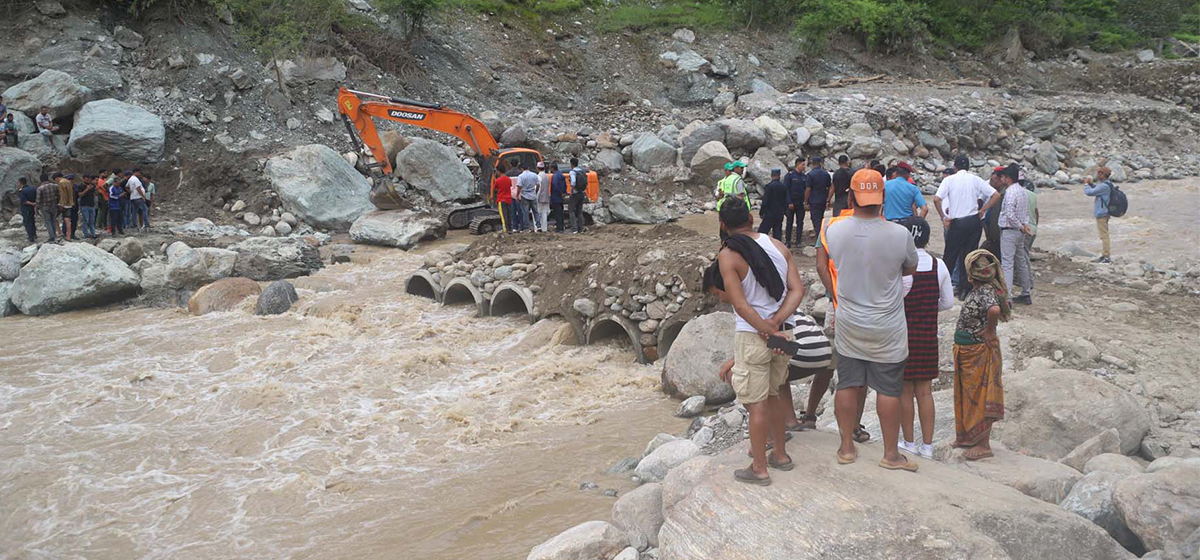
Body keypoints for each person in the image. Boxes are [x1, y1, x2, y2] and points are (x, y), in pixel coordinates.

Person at [822, 168, 919, 472]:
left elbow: (825, 263)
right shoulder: (900, 234)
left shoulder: (832, 229)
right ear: (883, 199)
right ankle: (891, 455)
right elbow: (909, 269)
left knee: (848, 383)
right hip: (887, 325)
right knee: (889, 389)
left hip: (849, 320)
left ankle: (846, 448)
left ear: (850, 196)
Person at [705, 199, 804, 485]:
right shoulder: (778, 246)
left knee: (756, 404)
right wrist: (777, 323)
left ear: (722, 225)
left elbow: (741, 305)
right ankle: (780, 456)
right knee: (773, 395)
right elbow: (798, 290)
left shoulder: (728, 255)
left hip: (754, 336)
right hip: (784, 334)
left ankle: (759, 468)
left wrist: (765, 329)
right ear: (751, 217)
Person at [898, 217, 954, 459]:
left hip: (901, 335)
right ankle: (928, 446)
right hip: (928, 335)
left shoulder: (899, 267)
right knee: (925, 392)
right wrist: (929, 308)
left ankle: (909, 442)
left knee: (904, 391)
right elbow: (948, 302)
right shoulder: (938, 265)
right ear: (927, 238)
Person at [952, 249, 1009, 461]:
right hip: (968, 351)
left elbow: (993, 310)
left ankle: (983, 445)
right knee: (968, 395)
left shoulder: (985, 291)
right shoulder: (981, 290)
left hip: (977, 351)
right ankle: (966, 436)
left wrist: (990, 331)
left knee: (980, 396)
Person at [934, 154, 1001, 297]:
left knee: (950, 256)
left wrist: (943, 218)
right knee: (969, 256)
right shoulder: (975, 180)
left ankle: (940, 289)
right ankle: (966, 289)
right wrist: (983, 209)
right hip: (973, 221)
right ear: (968, 167)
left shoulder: (950, 180)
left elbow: (936, 199)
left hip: (957, 222)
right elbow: (996, 195)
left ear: (955, 167)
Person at [997, 164, 1032, 305]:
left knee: (1007, 264)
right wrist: (1023, 226)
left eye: (1003, 177)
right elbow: (1025, 212)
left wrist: (1019, 226)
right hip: (1019, 231)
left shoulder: (1010, 192)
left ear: (1008, 178)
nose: (1001, 179)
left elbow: (1010, 214)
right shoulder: (1022, 191)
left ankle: (1007, 297)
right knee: (1021, 261)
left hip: (1010, 230)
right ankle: (1026, 292)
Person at [1084, 167, 1115, 264]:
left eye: (1098, 173)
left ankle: (1106, 256)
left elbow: (1089, 192)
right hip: (1105, 212)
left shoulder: (1104, 186)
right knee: (1104, 235)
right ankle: (1105, 255)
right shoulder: (1107, 184)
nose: (1097, 175)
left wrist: (1086, 184)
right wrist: (1091, 184)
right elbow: (1096, 190)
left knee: (1104, 236)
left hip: (1102, 213)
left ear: (1102, 174)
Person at [980, 168, 1005, 262]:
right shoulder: (987, 185)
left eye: (993, 180)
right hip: (986, 218)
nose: (991, 182)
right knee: (992, 241)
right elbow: (980, 199)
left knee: (994, 243)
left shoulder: (1003, 191)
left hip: (996, 221)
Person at [805, 156, 833, 240]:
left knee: (816, 220)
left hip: (814, 200)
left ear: (812, 164)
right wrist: (828, 199)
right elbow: (830, 187)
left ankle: (820, 238)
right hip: (823, 200)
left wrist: (806, 201)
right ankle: (822, 236)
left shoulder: (810, 175)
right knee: (821, 218)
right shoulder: (826, 174)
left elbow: (808, 189)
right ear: (820, 163)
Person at [783, 158, 808, 247]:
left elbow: (806, 190)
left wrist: (806, 202)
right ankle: (788, 241)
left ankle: (798, 241)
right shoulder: (789, 176)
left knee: (800, 222)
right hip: (791, 203)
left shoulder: (804, 177)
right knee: (789, 222)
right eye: (803, 165)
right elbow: (786, 190)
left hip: (800, 204)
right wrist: (789, 202)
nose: (804, 167)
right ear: (797, 164)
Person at [758, 168, 787, 241]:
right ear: (779, 175)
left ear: (771, 175)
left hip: (769, 214)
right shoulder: (783, 187)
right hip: (779, 214)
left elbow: (765, 201)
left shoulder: (769, 186)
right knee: (777, 233)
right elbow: (785, 201)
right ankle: (777, 248)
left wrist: (761, 212)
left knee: (762, 232)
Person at [35, 174, 59, 243]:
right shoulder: (55, 186)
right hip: (54, 206)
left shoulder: (40, 188)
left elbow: (38, 200)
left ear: (41, 180)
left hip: (45, 207)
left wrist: (36, 209)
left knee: (48, 222)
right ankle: (54, 235)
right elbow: (58, 195)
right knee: (54, 221)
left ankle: (51, 237)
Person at [515, 164, 538, 233]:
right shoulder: (534, 175)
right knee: (535, 212)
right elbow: (538, 185)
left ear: (521, 168)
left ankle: (527, 228)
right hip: (533, 195)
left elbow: (519, 186)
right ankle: (539, 226)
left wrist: (517, 195)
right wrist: (535, 192)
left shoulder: (521, 176)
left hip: (525, 196)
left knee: (525, 213)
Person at [492, 166, 514, 233]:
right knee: (509, 215)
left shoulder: (498, 180)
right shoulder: (508, 179)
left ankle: (505, 230)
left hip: (501, 199)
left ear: (499, 171)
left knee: (503, 215)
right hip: (509, 199)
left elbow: (494, 188)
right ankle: (510, 229)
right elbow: (510, 186)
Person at [569, 158, 588, 234]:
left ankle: (574, 229)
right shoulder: (581, 171)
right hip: (581, 193)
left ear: (571, 164)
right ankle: (581, 228)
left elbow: (573, 182)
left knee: (571, 211)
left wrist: (571, 191)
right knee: (579, 211)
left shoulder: (572, 172)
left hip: (575, 193)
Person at [56, 172, 76, 241]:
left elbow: (63, 195)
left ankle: (59, 233)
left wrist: (62, 204)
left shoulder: (61, 183)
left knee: (54, 218)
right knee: (67, 220)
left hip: (63, 204)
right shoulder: (69, 182)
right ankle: (68, 236)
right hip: (70, 203)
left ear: (57, 178)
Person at [77, 173, 98, 239]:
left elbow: (95, 194)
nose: (88, 181)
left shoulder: (92, 186)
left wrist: (95, 188)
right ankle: (85, 234)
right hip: (84, 205)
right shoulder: (80, 186)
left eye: (89, 179)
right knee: (86, 220)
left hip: (92, 205)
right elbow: (80, 195)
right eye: (86, 179)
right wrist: (87, 189)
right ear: (83, 179)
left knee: (92, 221)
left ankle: (93, 233)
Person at [17, 177, 37, 243]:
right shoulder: (33, 188)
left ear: (20, 183)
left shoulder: (22, 191)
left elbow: (24, 201)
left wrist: (32, 204)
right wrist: (35, 203)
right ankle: (34, 234)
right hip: (32, 209)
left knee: (27, 222)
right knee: (32, 221)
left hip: (26, 208)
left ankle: (30, 237)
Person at [550, 163, 567, 232]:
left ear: (552, 168)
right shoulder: (561, 174)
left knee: (557, 213)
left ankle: (559, 228)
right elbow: (564, 185)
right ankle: (561, 226)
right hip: (560, 197)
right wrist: (563, 193)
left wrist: (559, 193)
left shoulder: (555, 176)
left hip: (556, 196)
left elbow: (555, 184)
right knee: (561, 212)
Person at [535, 162, 551, 233]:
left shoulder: (538, 176)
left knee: (538, 213)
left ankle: (538, 228)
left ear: (537, 168)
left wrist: (535, 196)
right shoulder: (547, 176)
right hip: (546, 197)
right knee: (545, 213)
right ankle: (545, 228)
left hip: (540, 197)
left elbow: (538, 188)